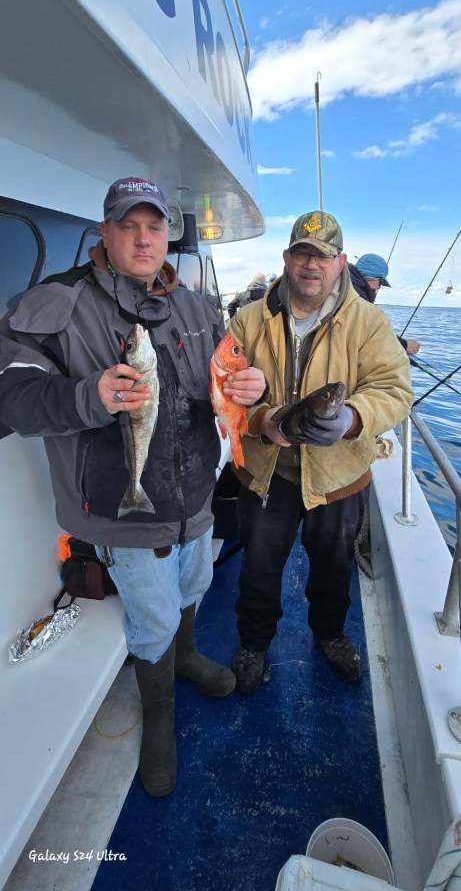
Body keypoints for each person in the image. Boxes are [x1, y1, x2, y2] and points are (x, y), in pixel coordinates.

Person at [0, 177, 266, 797]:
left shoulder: (197, 307)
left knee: (195, 584)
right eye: (129, 226)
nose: (145, 239)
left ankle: (192, 653)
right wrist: (84, 396)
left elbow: (220, 378)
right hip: (125, 512)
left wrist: (244, 387)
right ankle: (160, 717)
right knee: (151, 620)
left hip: (196, 499)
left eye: (155, 227)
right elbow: (9, 395)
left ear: (168, 235)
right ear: (104, 233)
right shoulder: (53, 304)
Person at [228, 211, 412, 694]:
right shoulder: (248, 320)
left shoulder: (370, 322)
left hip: (337, 477)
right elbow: (223, 395)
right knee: (259, 567)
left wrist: (352, 418)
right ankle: (253, 644)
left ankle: (330, 635)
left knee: (333, 567)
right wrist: (263, 420)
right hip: (267, 472)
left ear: (340, 262)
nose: (312, 265)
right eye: (303, 254)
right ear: (287, 259)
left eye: (323, 256)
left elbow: (393, 390)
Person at [349, 253, 421, 356]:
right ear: (373, 278)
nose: (378, 288)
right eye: (381, 283)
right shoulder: (356, 298)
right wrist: (404, 345)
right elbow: (372, 335)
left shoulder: (346, 288)